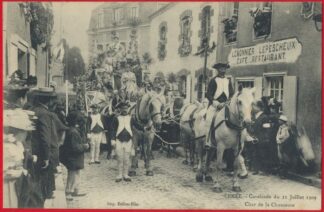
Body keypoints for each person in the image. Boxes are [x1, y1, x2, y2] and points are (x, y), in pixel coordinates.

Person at [205, 62, 235, 172]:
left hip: (226, 105)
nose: (223, 70)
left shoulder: (228, 81)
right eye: (221, 69)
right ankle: (208, 141)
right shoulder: (213, 80)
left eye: (224, 68)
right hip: (215, 105)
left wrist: (228, 102)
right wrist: (216, 103)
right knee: (209, 119)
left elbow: (231, 93)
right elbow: (208, 94)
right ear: (217, 70)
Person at [30, 87, 59, 201]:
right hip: (43, 154)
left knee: (37, 181)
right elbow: (45, 137)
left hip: (35, 151)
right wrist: (47, 157)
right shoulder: (45, 114)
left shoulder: (34, 109)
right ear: (49, 101)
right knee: (44, 187)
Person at [60, 112, 89, 201]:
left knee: (76, 174)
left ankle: (75, 190)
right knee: (72, 174)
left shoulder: (72, 130)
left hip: (74, 158)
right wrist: (84, 146)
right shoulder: (73, 132)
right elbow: (75, 147)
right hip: (73, 157)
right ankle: (68, 191)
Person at [111, 102, 133, 182]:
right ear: (120, 109)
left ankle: (125, 174)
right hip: (119, 140)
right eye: (123, 108)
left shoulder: (131, 118)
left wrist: (145, 127)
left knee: (127, 158)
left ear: (128, 109)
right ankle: (119, 174)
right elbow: (113, 129)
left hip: (128, 140)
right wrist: (113, 140)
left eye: (126, 108)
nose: (124, 110)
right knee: (120, 158)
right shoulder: (116, 118)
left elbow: (136, 126)